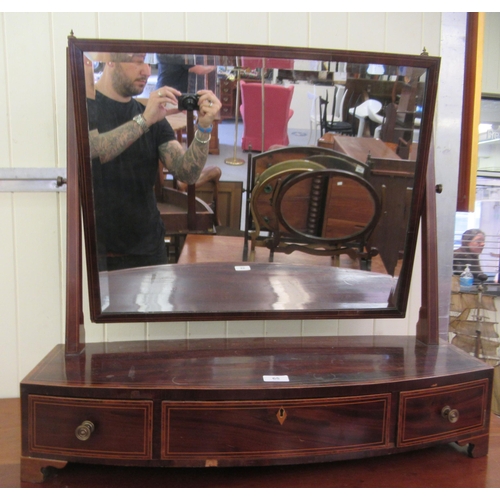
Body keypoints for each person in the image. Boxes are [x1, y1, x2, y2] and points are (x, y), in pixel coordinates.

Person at [88, 52, 221, 271]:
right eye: (138, 61)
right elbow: (96, 150)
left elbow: (186, 172)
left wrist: (204, 128)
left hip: (148, 247)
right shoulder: (87, 105)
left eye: (148, 63)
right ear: (110, 59)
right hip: (99, 250)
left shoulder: (149, 114)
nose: (147, 71)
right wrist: (145, 120)